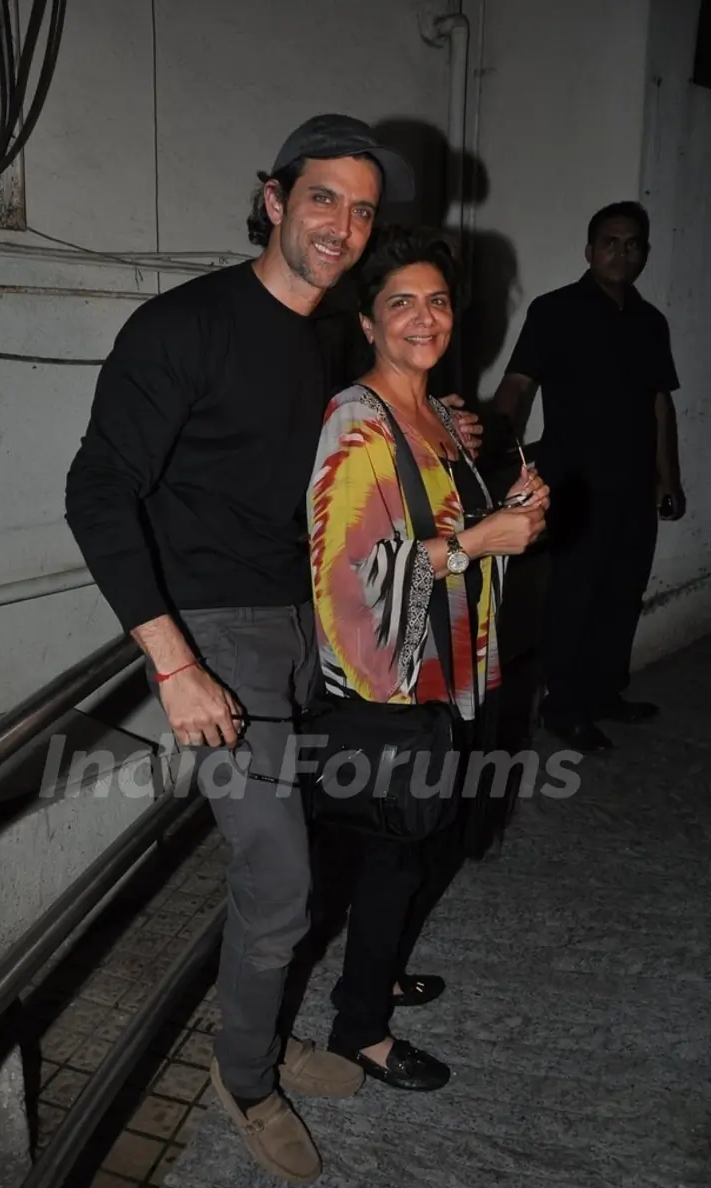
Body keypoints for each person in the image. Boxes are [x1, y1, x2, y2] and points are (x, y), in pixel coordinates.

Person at [65, 114, 419, 1184]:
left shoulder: (325, 337)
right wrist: (173, 661)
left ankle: (257, 1036)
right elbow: (95, 490)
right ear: (273, 197)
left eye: (361, 210)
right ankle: (246, 1077)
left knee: (311, 852)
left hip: (301, 626)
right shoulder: (183, 326)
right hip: (212, 630)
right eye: (323, 199)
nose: (342, 226)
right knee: (276, 879)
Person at [307, 225, 548, 1090]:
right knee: (395, 856)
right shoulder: (357, 423)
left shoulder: (442, 414)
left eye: (437, 300)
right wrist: (479, 538)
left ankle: (378, 969)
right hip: (396, 690)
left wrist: (512, 512)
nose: (422, 317)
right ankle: (359, 1028)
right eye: (399, 302)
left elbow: (460, 540)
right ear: (368, 322)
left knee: (431, 844)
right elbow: (344, 574)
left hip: (457, 676)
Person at [493, 202, 685, 752]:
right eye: (610, 242)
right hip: (575, 482)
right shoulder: (555, 311)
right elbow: (518, 383)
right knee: (574, 594)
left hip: (634, 484)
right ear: (589, 250)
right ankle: (562, 707)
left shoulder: (651, 323)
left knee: (623, 591)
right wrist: (497, 445)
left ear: (644, 254)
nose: (620, 253)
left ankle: (604, 694)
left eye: (632, 244)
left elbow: (659, 405)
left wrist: (667, 478)